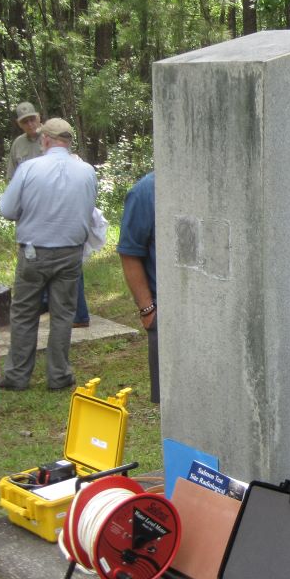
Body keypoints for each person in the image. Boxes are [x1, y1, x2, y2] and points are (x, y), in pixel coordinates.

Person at [0, 118, 97, 392]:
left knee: (24, 313)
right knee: (63, 314)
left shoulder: (30, 168)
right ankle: (59, 375)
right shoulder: (87, 171)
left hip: (33, 252)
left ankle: (17, 376)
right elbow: (89, 211)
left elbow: (6, 209)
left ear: (45, 140)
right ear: (68, 141)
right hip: (70, 252)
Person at [117, 171, 159, 404]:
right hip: (165, 316)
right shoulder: (145, 192)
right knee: (174, 411)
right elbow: (130, 253)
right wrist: (148, 311)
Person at [6, 101, 43, 181]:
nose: (29, 124)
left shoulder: (51, 136)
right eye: (25, 121)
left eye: (32, 119)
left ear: (38, 118)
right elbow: (12, 176)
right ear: (19, 124)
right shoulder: (18, 143)